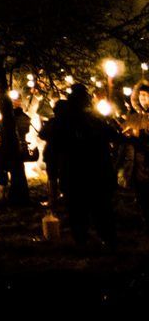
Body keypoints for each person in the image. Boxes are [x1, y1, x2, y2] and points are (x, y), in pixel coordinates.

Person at [44, 85, 117, 245]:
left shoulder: (87, 120)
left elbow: (51, 143)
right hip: (84, 171)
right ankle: (100, 238)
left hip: (80, 172)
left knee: (82, 209)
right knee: (92, 209)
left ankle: (90, 239)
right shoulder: (81, 121)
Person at [123, 81, 149, 227]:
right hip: (137, 165)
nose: (142, 99)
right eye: (140, 96)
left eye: (145, 95)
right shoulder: (134, 117)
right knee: (141, 195)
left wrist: (140, 137)